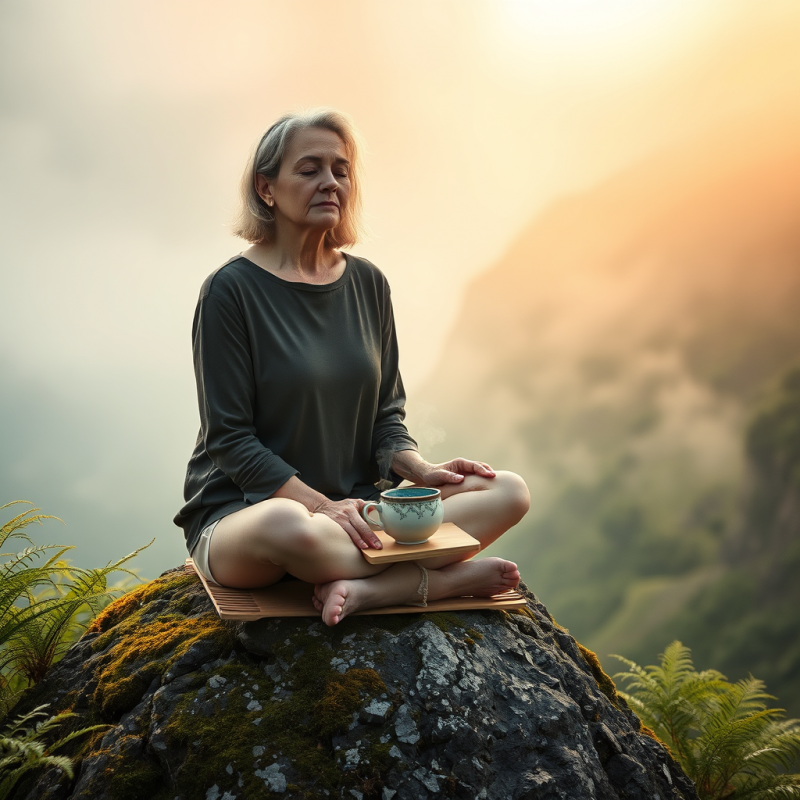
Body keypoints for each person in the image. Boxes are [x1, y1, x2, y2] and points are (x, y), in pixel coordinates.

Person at [174, 108, 530, 626]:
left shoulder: (368, 284)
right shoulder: (230, 291)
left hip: (359, 514)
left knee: (507, 490)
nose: (330, 182)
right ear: (266, 188)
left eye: (341, 170)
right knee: (288, 526)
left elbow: (387, 416)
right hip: (250, 517)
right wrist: (320, 506)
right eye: (310, 168)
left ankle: (375, 589)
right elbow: (230, 439)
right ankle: (431, 582)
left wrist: (419, 469)